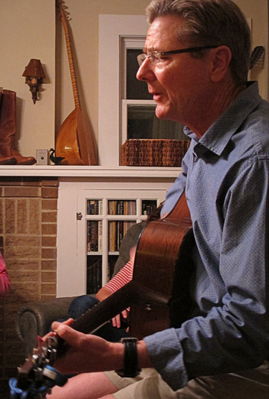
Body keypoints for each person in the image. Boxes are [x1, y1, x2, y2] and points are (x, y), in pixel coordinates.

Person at [47, 0, 269, 398]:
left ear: (218, 62)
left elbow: (248, 326)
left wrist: (122, 354)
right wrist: (134, 284)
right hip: (188, 336)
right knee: (56, 394)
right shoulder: (199, 142)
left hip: (243, 363)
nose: (141, 71)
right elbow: (166, 237)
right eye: (143, 55)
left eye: (159, 56)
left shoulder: (257, 160)